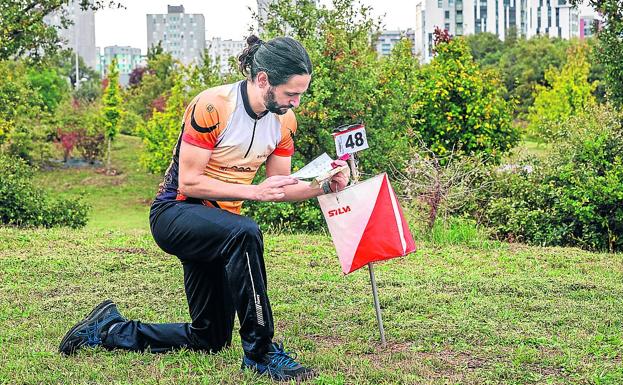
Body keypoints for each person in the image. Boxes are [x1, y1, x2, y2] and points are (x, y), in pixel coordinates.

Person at [58, 35, 350, 382]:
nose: (297, 103)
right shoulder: (213, 106)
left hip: (222, 228)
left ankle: (108, 329)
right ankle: (261, 353)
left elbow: (279, 188)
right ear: (263, 80)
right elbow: (189, 182)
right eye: (291, 93)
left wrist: (324, 184)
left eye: (300, 93)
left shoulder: (284, 122)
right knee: (246, 233)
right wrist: (252, 192)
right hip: (176, 213)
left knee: (209, 338)